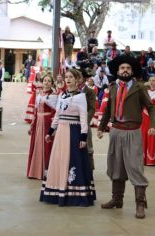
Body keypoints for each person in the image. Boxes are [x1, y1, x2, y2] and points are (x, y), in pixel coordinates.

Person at [97, 55, 155, 219]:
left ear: (132, 71)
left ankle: (140, 204)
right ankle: (117, 199)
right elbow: (109, 110)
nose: (125, 70)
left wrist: (153, 126)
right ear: (117, 71)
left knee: (135, 166)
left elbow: (151, 108)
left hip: (133, 132)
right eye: (122, 68)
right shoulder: (113, 87)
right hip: (116, 131)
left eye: (128, 68)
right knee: (115, 165)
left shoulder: (139, 87)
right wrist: (101, 127)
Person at [40, 69, 95, 207]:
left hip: (74, 131)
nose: (68, 79)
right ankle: (56, 190)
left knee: (72, 160)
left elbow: (83, 118)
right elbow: (57, 115)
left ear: (78, 80)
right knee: (59, 159)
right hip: (60, 133)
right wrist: (50, 132)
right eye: (67, 77)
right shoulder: (61, 95)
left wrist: (83, 137)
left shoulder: (81, 97)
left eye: (71, 77)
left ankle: (73, 195)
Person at [27, 74, 58, 180]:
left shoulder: (54, 95)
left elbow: (55, 112)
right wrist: (32, 124)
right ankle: (35, 171)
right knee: (37, 145)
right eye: (45, 80)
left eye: (49, 81)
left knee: (46, 146)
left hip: (47, 122)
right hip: (38, 122)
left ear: (52, 83)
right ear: (42, 82)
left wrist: (53, 127)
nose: (47, 82)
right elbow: (35, 111)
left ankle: (45, 172)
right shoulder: (38, 94)